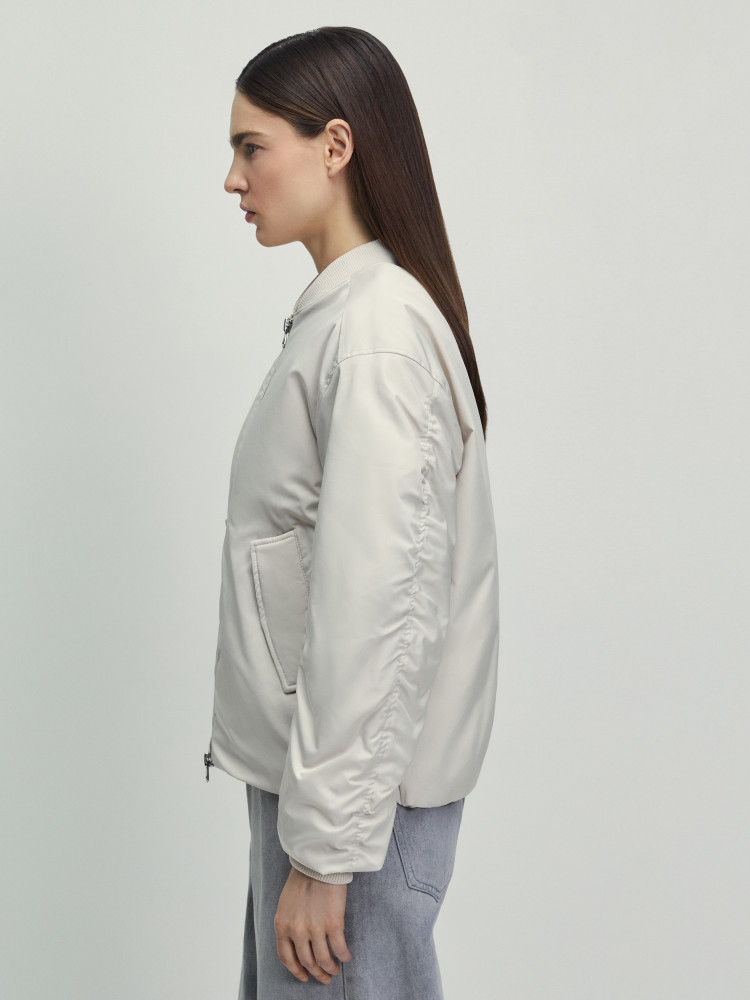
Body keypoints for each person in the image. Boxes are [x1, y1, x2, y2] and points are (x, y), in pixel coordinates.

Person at [206, 26, 500, 999]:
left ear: (335, 146)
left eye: (252, 148)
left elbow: (380, 607)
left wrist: (327, 855)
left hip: (353, 818)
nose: (233, 179)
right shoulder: (347, 317)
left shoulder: (375, 334)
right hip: (326, 796)